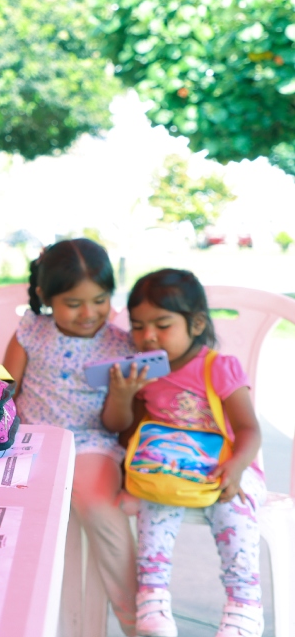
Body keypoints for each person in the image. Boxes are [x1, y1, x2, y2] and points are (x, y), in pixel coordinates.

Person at [103, 269, 265, 637]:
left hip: (227, 468)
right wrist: (124, 395)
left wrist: (236, 467)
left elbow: (248, 429)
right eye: (138, 326)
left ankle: (244, 605)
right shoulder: (143, 371)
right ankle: (152, 601)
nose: (148, 336)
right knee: (154, 505)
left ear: (197, 324)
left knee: (234, 509)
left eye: (162, 325)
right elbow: (123, 432)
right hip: (167, 470)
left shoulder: (218, 368)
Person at [1, 238, 138, 636]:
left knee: (101, 510)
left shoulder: (119, 343)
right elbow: (6, 391)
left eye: (100, 300)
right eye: (74, 303)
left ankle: (138, 620)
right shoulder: (30, 331)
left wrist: (123, 395)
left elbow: (115, 424)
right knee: (8, 513)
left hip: (91, 443)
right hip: (33, 440)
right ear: (46, 297)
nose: (89, 313)